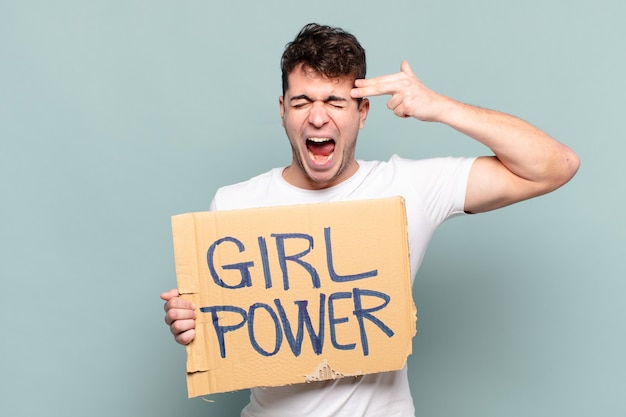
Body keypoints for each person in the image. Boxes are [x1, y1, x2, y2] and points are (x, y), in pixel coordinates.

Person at [160, 23, 579, 417]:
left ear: (362, 111)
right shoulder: (234, 204)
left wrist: (440, 107)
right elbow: (230, 331)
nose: (318, 117)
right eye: (302, 101)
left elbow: (555, 165)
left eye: (335, 102)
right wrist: (193, 322)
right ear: (283, 109)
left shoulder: (407, 187)